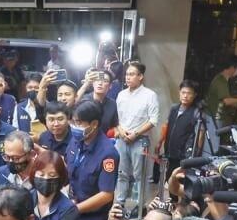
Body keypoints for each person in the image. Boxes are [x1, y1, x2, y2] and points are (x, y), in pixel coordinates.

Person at [65, 100, 120, 220]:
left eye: (79, 123)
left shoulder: (108, 153)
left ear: (94, 124)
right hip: (72, 213)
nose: (74, 126)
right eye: (73, 122)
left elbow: (106, 194)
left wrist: (76, 209)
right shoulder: (75, 141)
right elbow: (69, 171)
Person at [114, 61, 159, 207]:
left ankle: (140, 206)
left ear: (140, 76)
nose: (128, 77)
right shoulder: (121, 95)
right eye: (127, 74)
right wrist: (121, 132)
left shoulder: (150, 95)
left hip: (140, 140)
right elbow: (117, 118)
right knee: (121, 173)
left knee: (140, 175)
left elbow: (153, 120)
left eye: (132, 74)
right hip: (122, 139)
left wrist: (135, 133)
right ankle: (119, 203)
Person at [163, 80, 218, 179]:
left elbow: (201, 135)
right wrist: (160, 143)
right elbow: (166, 126)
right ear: (179, 92)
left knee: (180, 179)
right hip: (170, 150)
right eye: (183, 92)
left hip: (184, 154)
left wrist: (197, 153)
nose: (185, 96)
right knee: (168, 177)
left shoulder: (197, 112)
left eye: (189, 93)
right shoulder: (174, 108)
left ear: (195, 95)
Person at [31, 150, 79, 220]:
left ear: (60, 178)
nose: (46, 179)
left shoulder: (69, 209)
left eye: (52, 175)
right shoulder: (25, 200)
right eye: (41, 175)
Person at [204, 55, 237, 129]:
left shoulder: (222, 79)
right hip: (215, 117)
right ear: (232, 68)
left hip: (214, 116)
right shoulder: (221, 81)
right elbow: (227, 101)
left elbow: (225, 97)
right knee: (214, 136)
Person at [77, 70, 119, 136]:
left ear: (110, 86)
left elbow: (115, 125)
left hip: (102, 139)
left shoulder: (112, 104)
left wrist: (116, 131)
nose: (100, 83)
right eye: (97, 80)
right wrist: (86, 85)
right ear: (93, 83)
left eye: (105, 81)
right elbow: (72, 104)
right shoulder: (83, 100)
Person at [15, 73, 44, 139]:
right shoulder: (19, 107)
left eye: (36, 88)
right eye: (30, 87)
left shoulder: (48, 107)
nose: (33, 90)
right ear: (26, 88)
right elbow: (15, 130)